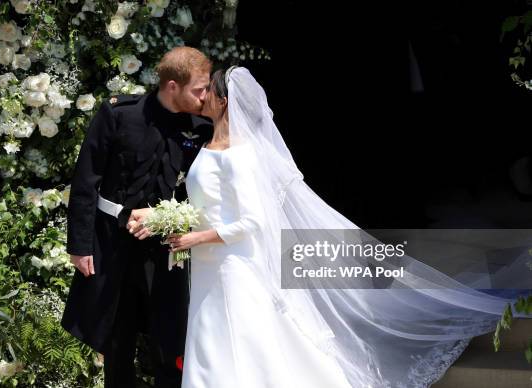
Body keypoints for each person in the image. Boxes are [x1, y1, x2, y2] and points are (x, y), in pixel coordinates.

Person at [165, 66, 531, 388]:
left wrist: (199, 236)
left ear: (224, 99)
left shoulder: (241, 155)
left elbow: (254, 221)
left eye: (207, 91)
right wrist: (162, 218)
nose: (202, 97)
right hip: (211, 261)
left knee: (239, 336)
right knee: (213, 337)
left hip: (234, 264)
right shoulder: (213, 144)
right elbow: (212, 204)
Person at [61, 46, 213, 388]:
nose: (205, 97)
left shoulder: (202, 127)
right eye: (198, 89)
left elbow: (204, 193)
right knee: (117, 339)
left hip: (169, 250)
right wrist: (81, 246)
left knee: (170, 339)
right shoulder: (119, 114)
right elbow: (86, 181)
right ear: (172, 86)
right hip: (114, 245)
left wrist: (167, 219)